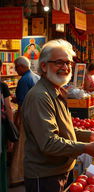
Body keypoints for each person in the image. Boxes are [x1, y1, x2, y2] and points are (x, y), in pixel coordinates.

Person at [22, 39, 94, 191]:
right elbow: (48, 142)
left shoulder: (56, 91)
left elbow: (63, 129)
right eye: (59, 62)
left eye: (68, 63)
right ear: (44, 66)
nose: (65, 67)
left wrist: (90, 135)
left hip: (57, 171)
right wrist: (86, 148)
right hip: (44, 175)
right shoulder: (40, 96)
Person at [10, 56, 40, 185]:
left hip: (26, 116)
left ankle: (18, 175)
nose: (16, 70)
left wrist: (17, 120)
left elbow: (22, 104)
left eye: (16, 67)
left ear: (22, 67)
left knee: (21, 147)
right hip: (36, 116)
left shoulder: (23, 80)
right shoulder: (36, 77)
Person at [0, 59, 14, 192]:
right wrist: (11, 133)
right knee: (1, 162)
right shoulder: (2, 86)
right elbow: (8, 108)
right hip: (1, 129)